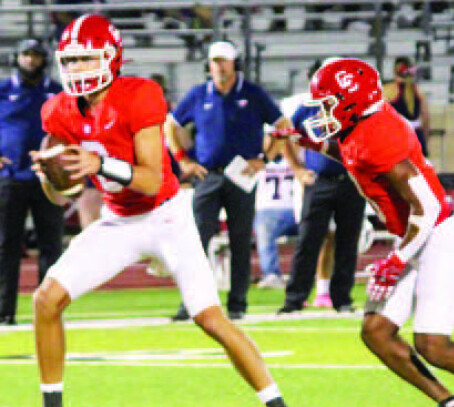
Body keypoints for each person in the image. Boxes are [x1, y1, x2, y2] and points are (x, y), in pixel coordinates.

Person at [31, 15, 289, 407]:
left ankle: (275, 402)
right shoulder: (58, 111)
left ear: (112, 58)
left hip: (166, 217)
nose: (76, 69)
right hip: (117, 222)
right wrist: (50, 178)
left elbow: (152, 179)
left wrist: (98, 164)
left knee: (209, 318)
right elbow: (61, 197)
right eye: (70, 61)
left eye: (86, 59)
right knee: (46, 300)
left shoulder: (139, 94)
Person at [276, 57, 454, 407]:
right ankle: (451, 402)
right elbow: (354, 156)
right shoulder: (362, 123)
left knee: (432, 345)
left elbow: (426, 208)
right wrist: (312, 143)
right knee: (376, 332)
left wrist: (395, 261)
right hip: (417, 236)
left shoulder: (380, 134)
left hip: (441, 236)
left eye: (330, 103)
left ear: (352, 99)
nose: (325, 111)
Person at [165, 40, 296, 320]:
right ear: (208, 65)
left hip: (241, 177)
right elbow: (170, 124)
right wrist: (183, 159)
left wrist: (266, 158)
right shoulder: (200, 94)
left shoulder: (253, 94)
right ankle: (192, 302)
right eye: (215, 61)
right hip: (208, 175)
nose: (219, 66)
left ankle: (237, 304)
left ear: (236, 64)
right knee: (198, 241)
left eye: (224, 61)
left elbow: (283, 126)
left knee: (239, 241)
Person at [277, 62, 366, 314]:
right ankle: (294, 299)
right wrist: (297, 169)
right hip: (319, 181)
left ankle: (342, 299)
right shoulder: (308, 108)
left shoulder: (355, 109)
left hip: (350, 181)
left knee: (348, 242)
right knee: (308, 241)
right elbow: (287, 135)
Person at [0, 38, 64, 326]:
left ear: (44, 59)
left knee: (51, 246)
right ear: (16, 58)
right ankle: (4, 312)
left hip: (47, 178)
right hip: (10, 179)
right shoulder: (2, 90)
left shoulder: (56, 92)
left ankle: (49, 310)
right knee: (6, 246)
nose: (30, 60)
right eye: (26, 54)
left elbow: (72, 129)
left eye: (36, 55)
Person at [255, 135, 297, 289]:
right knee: (264, 227)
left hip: (296, 209)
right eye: (271, 138)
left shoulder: (295, 159)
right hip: (268, 211)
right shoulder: (257, 161)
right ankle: (272, 274)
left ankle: (312, 274)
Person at [383, 56, 430, 157]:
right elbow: (426, 119)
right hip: (416, 137)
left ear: (395, 72)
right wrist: (424, 143)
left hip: (397, 139)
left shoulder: (388, 90)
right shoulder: (418, 91)